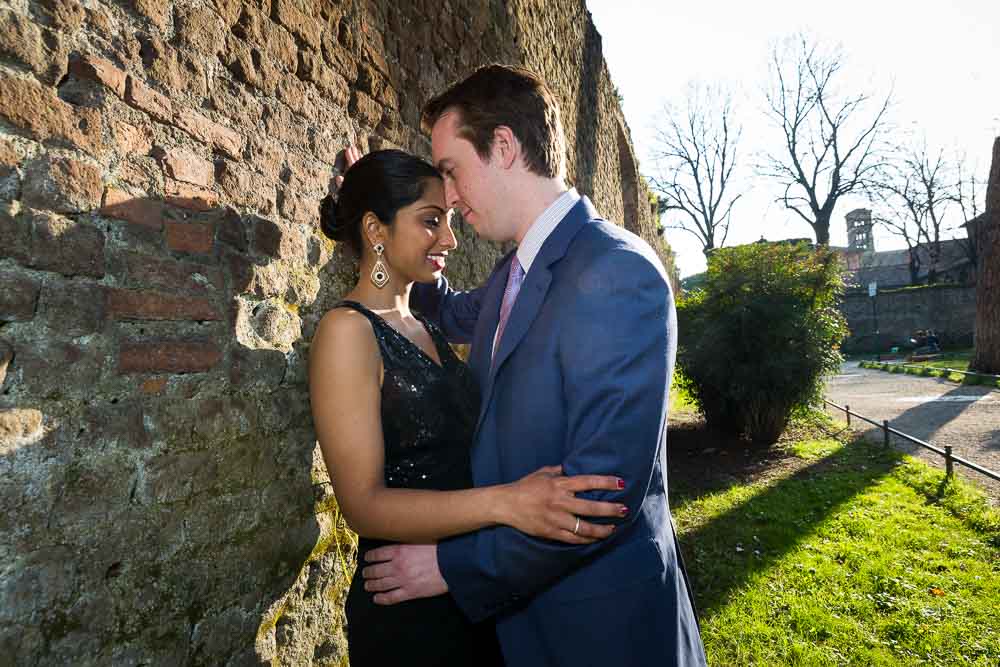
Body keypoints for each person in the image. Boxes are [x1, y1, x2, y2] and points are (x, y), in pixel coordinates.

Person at [361, 66, 708, 666]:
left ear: (503, 146)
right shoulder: (511, 273)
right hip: (522, 628)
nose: (447, 196)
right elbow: (446, 309)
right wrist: (380, 233)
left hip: (599, 630)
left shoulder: (617, 271)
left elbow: (602, 496)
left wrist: (451, 565)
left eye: (450, 170)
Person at [308, 149, 626, 666]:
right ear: (375, 229)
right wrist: (508, 503)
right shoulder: (347, 332)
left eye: (450, 221)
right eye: (431, 221)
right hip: (408, 611)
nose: (451, 239)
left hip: (467, 592)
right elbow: (362, 505)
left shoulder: (426, 326)